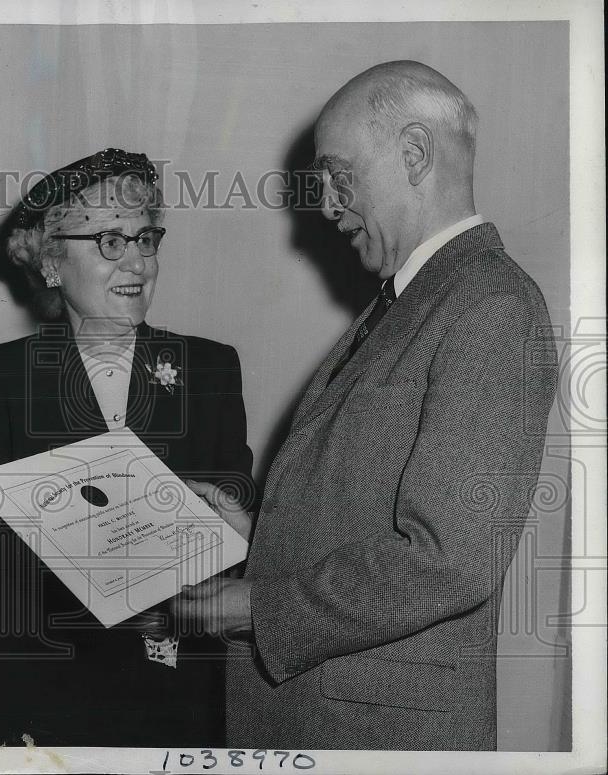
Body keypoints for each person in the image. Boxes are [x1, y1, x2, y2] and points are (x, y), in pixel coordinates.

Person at [173, 61, 559, 750]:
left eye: (338, 174)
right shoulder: (414, 300)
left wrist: (259, 607)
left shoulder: (493, 306)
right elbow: (367, 510)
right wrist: (256, 528)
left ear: (414, 154)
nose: (325, 204)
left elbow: (450, 557)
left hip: (380, 735)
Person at [0, 148, 254, 746]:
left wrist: (234, 535)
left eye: (145, 238)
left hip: (173, 689)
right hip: (38, 687)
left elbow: (238, 529)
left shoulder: (210, 368)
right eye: (110, 241)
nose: (137, 260)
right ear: (52, 263)